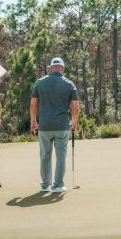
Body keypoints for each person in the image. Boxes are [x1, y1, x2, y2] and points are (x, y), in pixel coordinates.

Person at [30, 57, 79, 193]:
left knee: (45, 155)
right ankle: (57, 185)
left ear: (51, 68)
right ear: (62, 68)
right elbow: (75, 107)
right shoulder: (69, 84)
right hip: (62, 126)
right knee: (61, 156)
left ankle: (45, 185)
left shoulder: (39, 83)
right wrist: (74, 123)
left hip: (44, 126)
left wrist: (33, 121)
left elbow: (33, 104)